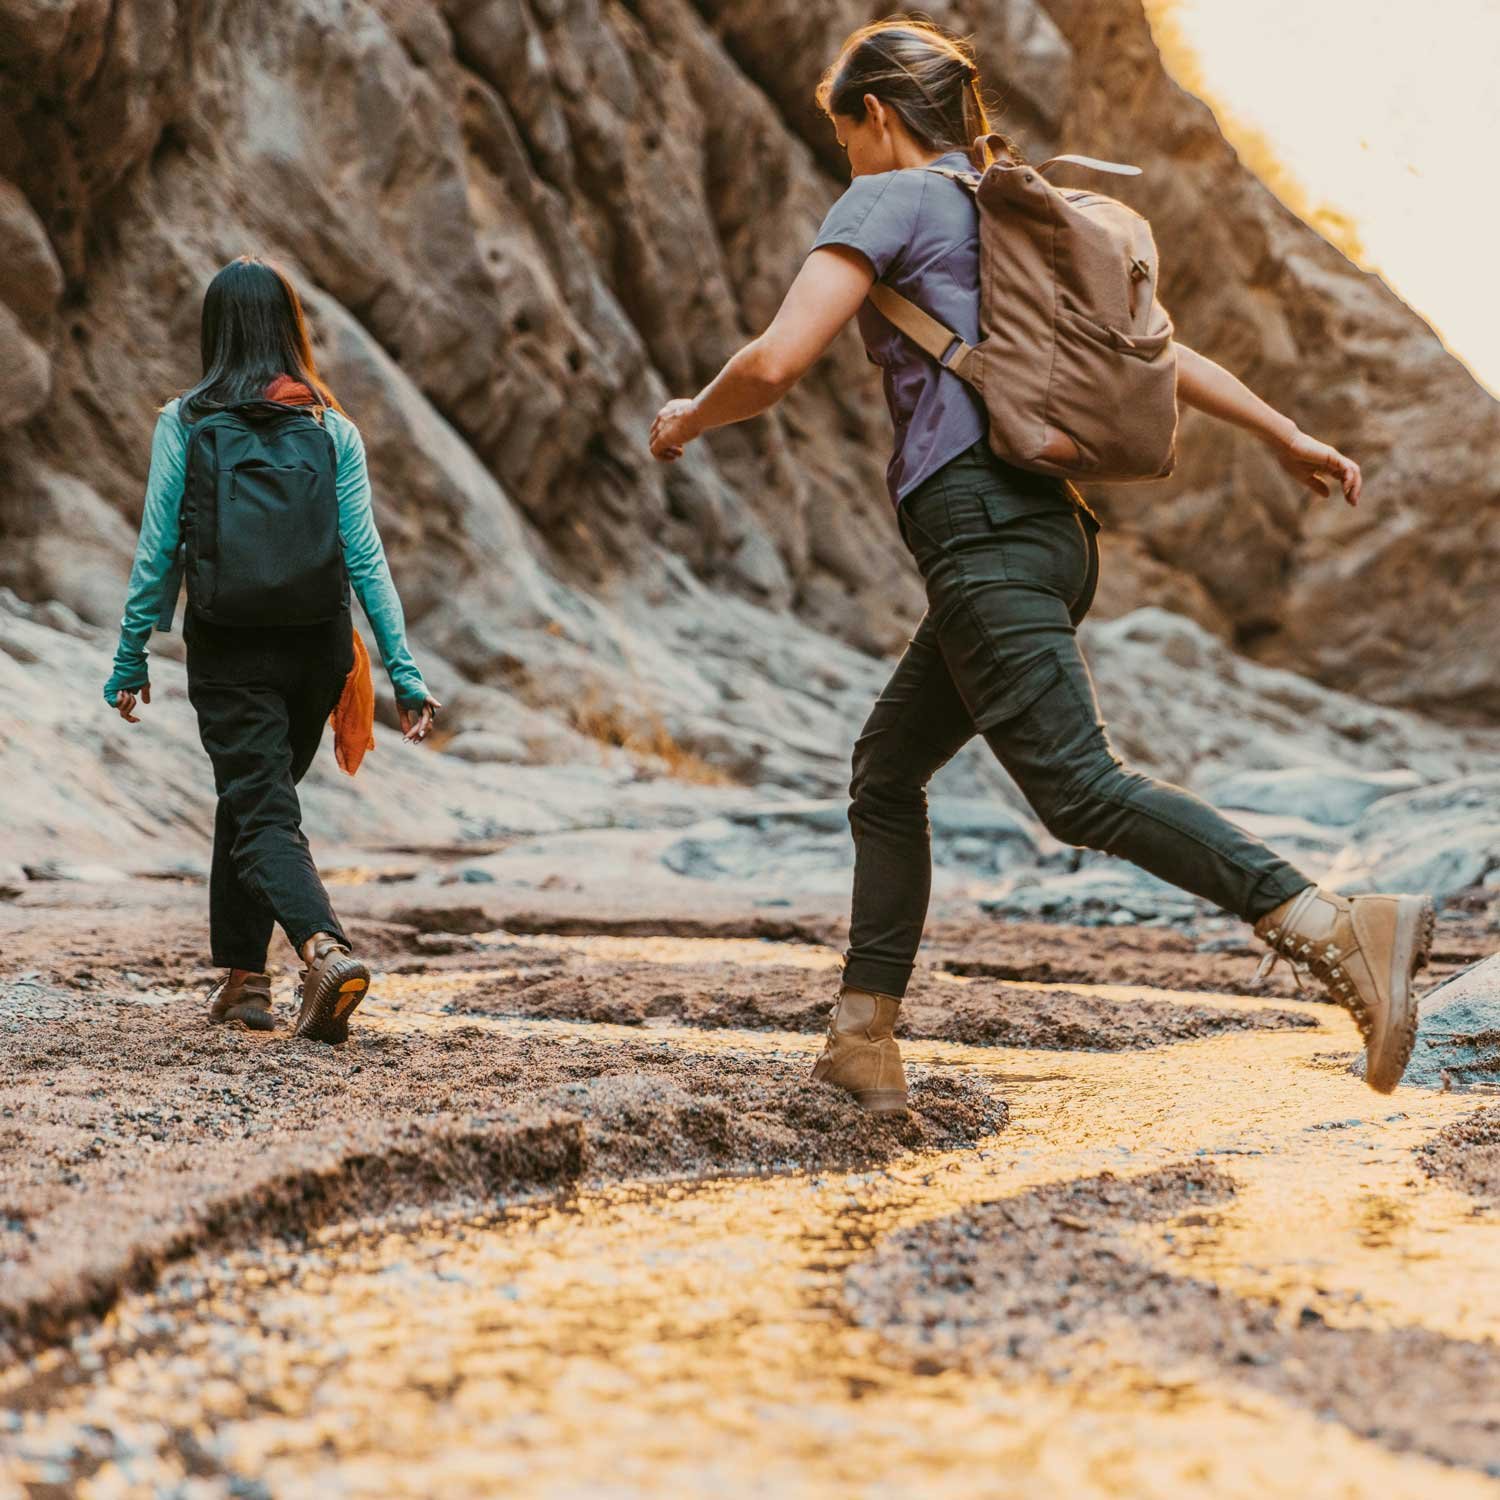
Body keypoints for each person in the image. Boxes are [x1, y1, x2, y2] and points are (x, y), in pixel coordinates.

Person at [648, 20, 1433, 1108]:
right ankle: (861, 1043)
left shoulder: (888, 200)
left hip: (982, 531)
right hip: (1052, 534)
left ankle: (1332, 923)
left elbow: (777, 361)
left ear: (876, 117)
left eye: (846, 140)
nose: (848, 164)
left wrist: (691, 415)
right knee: (885, 773)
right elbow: (1157, 351)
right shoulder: (1016, 212)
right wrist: (1281, 430)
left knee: (1076, 790)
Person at [103, 256, 441, 1042]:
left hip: (229, 645)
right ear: (292, 331)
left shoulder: (185, 421)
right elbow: (366, 561)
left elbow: (157, 552)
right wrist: (404, 670)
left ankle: (324, 951)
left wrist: (130, 655)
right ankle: (244, 983)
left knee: (259, 807)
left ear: (215, 332)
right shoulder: (332, 428)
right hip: (317, 649)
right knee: (254, 799)